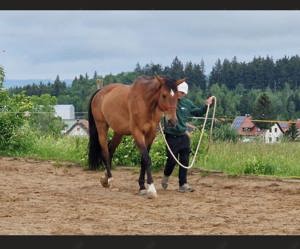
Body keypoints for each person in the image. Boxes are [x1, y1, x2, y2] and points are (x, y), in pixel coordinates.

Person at [161, 81, 214, 193]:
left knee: (185, 160)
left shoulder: (187, 103)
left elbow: (198, 112)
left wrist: (207, 105)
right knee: (171, 161)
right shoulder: (169, 101)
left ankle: (183, 184)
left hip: (183, 135)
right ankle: (166, 176)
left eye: (183, 93)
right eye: (180, 92)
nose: (182, 95)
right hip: (171, 135)